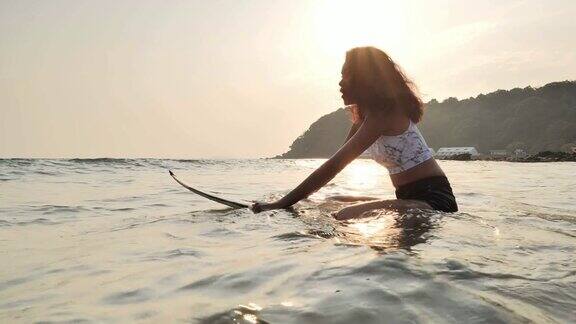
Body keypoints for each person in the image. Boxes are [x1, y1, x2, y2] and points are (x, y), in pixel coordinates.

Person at [251, 46, 457, 220]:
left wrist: (279, 204)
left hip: (435, 200)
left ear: (363, 79)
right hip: (408, 197)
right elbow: (336, 163)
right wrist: (295, 200)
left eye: (345, 75)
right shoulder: (364, 116)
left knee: (345, 214)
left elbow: (333, 166)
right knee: (330, 201)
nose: (340, 83)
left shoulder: (382, 115)